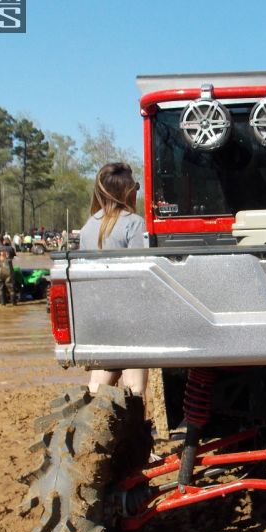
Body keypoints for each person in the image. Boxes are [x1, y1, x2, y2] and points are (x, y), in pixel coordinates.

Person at [79, 162, 148, 398]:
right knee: (135, 389)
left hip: (99, 319)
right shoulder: (134, 223)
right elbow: (142, 276)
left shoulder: (88, 227)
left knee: (97, 388)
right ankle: (133, 432)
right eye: (136, 186)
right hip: (130, 318)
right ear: (128, 191)